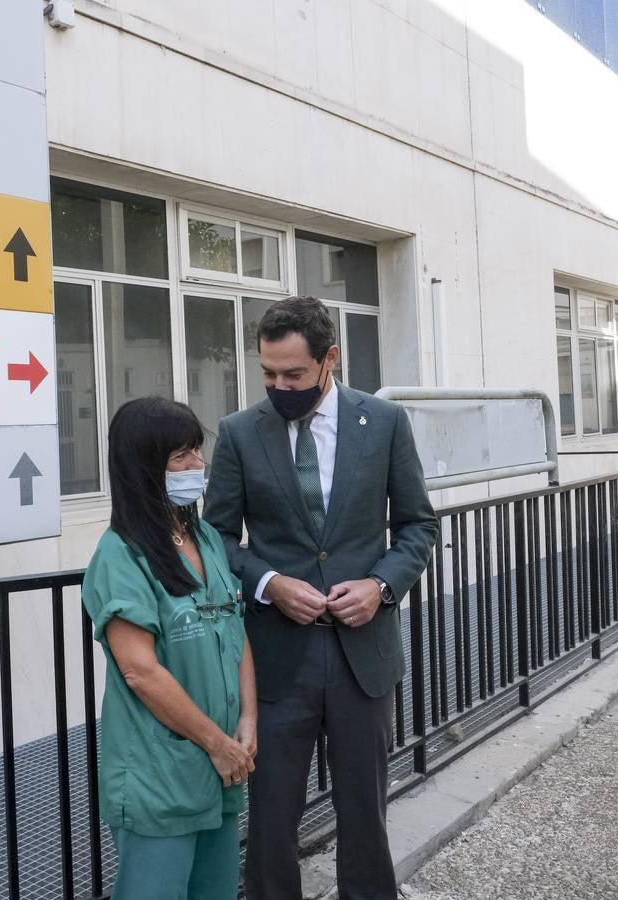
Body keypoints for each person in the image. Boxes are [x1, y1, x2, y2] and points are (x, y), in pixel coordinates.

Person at [204, 297, 438, 900]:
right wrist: (268, 584)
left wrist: (382, 586)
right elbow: (219, 539)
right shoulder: (238, 433)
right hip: (277, 660)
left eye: (294, 374)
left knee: (365, 815)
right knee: (272, 817)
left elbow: (418, 525)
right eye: (269, 375)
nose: (280, 386)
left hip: (364, 656)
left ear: (329, 359)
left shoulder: (384, 423)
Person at [81, 396, 258, 899]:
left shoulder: (201, 534)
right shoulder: (120, 555)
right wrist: (217, 743)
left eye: (196, 452)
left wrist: (248, 720)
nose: (196, 466)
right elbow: (139, 670)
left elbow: (234, 625)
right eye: (180, 456)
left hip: (219, 766)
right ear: (143, 467)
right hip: (161, 772)